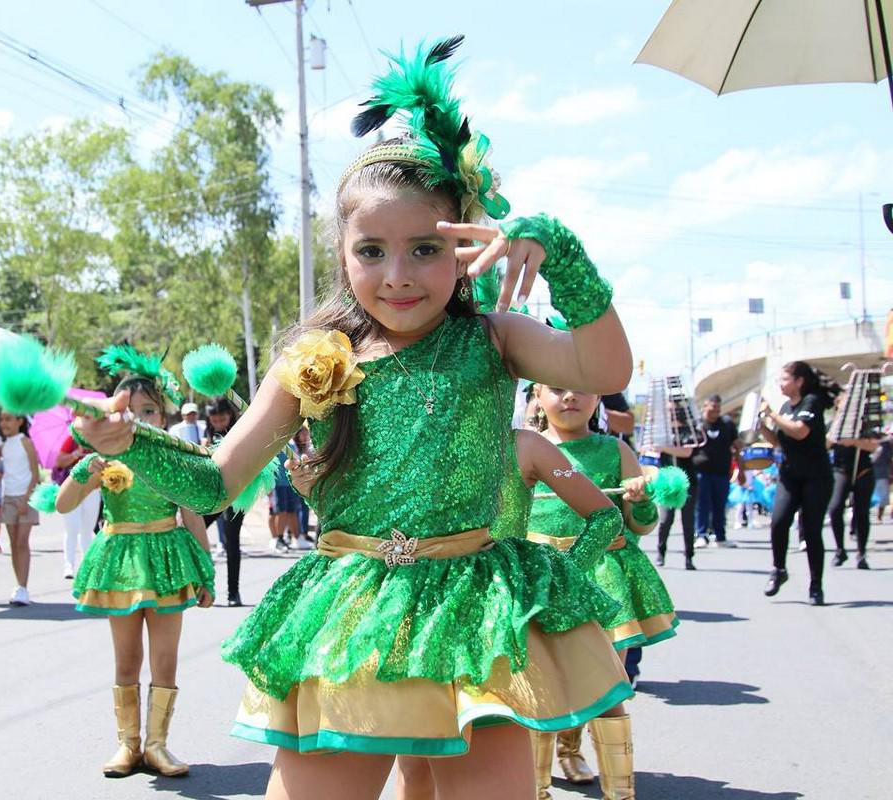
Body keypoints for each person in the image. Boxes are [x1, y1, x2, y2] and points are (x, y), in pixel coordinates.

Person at [74, 36, 635, 800]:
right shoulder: (315, 357)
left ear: (466, 244)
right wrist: (130, 442)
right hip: (352, 620)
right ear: (341, 251)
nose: (397, 275)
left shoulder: (493, 338)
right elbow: (213, 482)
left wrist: (562, 254)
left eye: (425, 249)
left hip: (474, 614)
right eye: (371, 250)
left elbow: (605, 370)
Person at [58, 344, 214, 779]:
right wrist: (86, 469)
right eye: (133, 411)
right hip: (121, 562)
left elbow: (193, 513)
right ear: (117, 415)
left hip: (168, 560)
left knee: (166, 658)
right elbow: (64, 505)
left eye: (150, 411)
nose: (142, 419)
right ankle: (127, 744)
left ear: (162, 418)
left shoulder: (173, 458)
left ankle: (158, 744)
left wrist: (206, 572)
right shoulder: (102, 459)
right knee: (126, 660)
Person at [527, 383, 676, 799]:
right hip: (544, 581)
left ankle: (603, 777)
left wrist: (642, 500)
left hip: (603, 577)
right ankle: (534, 785)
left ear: (597, 399)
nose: (569, 397)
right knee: (544, 684)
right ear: (537, 393)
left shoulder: (616, 452)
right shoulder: (524, 447)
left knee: (606, 683)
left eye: (582, 390)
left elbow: (641, 525)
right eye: (557, 388)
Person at [759, 361, 840, 606]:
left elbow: (800, 431)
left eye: (784, 379)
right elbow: (779, 441)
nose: (780, 384)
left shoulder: (811, 402)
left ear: (799, 381)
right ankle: (779, 569)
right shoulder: (785, 406)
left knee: (811, 529)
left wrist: (772, 414)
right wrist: (763, 424)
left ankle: (816, 585)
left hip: (816, 476)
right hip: (790, 476)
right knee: (778, 522)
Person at [202, 397, 248, 602]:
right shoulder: (208, 433)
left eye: (222, 419)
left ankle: (233, 592)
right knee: (193, 531)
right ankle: (201, 585)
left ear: (230, 415)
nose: (219, 423)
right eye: (215, 420)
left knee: (231, 541)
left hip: (236, 493)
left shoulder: (240, 431)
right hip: (212, 493)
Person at [826, 393, 878, 570]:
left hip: (863, 470)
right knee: (835, 508)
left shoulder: (864, 425)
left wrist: (855, 441)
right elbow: (825, 445)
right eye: (843, 405)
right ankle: (840, 550)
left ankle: (861, 553)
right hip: (841, 470)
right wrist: (836, 426)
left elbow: (874, 445)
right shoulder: (833, 425)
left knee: (862, 511)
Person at [0, 411, 40, 605]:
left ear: (19, 421)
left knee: (22, 542)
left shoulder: (26, 442)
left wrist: (26, 498)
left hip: (26, 497)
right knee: (13, 543)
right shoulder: (4, 445)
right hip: (8, 497)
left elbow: (35, 473)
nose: (4, 423)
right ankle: (18, 585)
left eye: (8, 419)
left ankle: (23, 587)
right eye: (1, 419)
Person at [691, 395, 740, 549]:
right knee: (702, 504)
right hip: (701, 472)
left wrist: (741, 469)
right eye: (713, 407)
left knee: (720, 505)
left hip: (722, 472)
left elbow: (737, 446)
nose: (715, 411)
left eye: (718, 408)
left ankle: (720, 536)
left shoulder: (727, 424)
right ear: (705, 407)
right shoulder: (696, 425)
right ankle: (701, 535)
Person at [54, 432, 100, 579]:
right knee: (71, 527)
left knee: (87, 529)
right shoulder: (71, 439)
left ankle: (87, 565)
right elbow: (59, 461)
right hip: (73, 488)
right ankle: (69, 565)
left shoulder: (100, 437)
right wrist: (76, 454)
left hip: (93, 490)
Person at [873, 432, 892, 522]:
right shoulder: (885, 445)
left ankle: (879, 516)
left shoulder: (887, 445)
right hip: (875, 473)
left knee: (882, 497)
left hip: (882, 474)